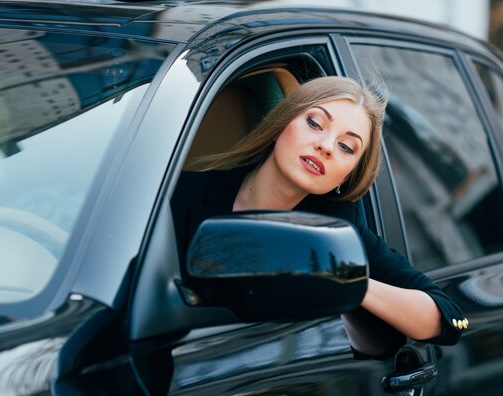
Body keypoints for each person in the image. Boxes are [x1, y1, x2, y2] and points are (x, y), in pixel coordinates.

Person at [172, 76, 467, 359]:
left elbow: (452, 320)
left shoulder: (337, 230)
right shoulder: (177, 194)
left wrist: (350, 282)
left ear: (347, 175)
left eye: (345, 147)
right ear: (282, 122)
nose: (325, 146)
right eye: (315, 123)